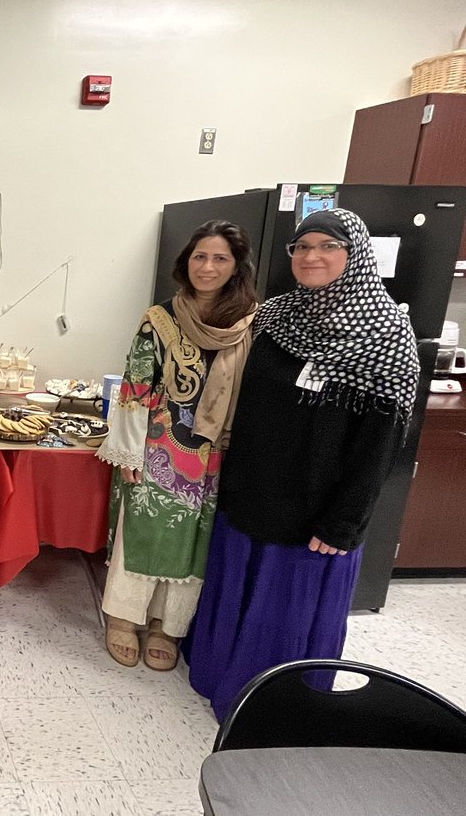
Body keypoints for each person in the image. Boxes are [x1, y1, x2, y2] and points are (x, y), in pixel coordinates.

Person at [185, 208, 417, 720]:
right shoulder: (275, 316)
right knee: (237, 591)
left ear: (355, 255)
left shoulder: (386, 332)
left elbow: (381, 443)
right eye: (303, 246)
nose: (312, 256)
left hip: (313, 509)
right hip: (250, 490)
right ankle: (217, 675)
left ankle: (271, 707)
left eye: (328, 246)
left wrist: (344, 522)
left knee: (284, 606)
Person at [95, 220, 257, 670]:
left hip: (215, 454)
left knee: (193, 542)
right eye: (199, 257)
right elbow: (135, 388)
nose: (208, 267)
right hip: (156, 448)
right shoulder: (160, 319)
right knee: (144, 532)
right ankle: (124, 617)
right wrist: (128, 450)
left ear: (237, 266)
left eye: (220, 258)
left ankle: (168, 625)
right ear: (186, 263)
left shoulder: (250, 322)